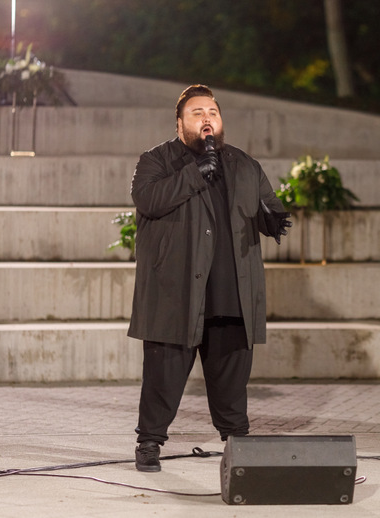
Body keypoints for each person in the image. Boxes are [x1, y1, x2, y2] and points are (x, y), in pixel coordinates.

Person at [128, 84, 292, 472]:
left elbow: (269, 205)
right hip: (177, 291)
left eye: (213, 113)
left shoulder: (245, 164)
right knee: (163, 375)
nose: (207, 118)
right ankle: (149, 441)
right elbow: (148, 200)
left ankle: (237, 442)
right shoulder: (157, 160)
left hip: (231, 291)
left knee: (232, 380)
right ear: (180, 122)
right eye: (197, 112)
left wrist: (274, 220)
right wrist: (196, 172)